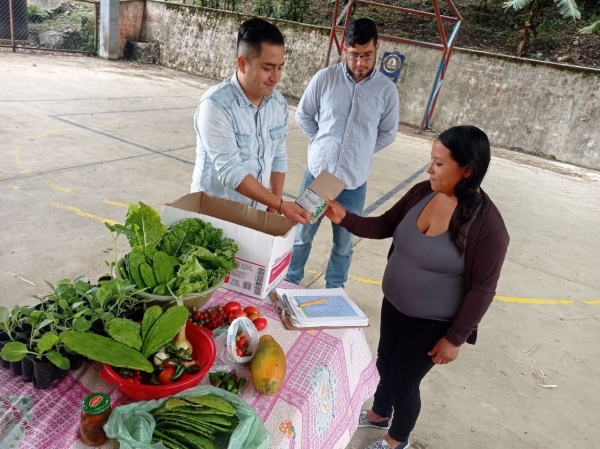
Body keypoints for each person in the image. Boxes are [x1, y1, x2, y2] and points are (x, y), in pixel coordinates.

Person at [324, 126, 510, 449]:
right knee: (384, 361)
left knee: (403, 381)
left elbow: (483, 288)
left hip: (432, 322)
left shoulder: (488, 227)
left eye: (439, 164)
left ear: (467, 171)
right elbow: (385, 224)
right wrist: (346, 218)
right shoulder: (423, 192)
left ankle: (398, 439)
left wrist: (455, 338)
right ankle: (380, 413)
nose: (429, 169)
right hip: (394, 303)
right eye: (431, 160)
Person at [284, 18, 400, 288]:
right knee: (303, 232)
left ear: (377, 49)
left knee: (344, 242)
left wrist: (361, 152)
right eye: (354, 55)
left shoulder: (386, 90)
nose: (361, 63)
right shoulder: (325, 78)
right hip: (319, 176)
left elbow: (387, 133)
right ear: (344, 48)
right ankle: (291, 279)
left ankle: (335, 287)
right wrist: (321, 142)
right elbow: (303, 115)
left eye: (368, 55)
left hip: (353, 183)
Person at [191, 18, 309, 224]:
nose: (276, 77)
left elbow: (278, 156)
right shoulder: (216, 105)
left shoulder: (278, 103)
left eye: (280, 67)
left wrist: (273, 206)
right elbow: (231, 171)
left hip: (255, 215)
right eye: (268, 67)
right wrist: (281, 205)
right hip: (213, 217)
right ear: (242, 63)